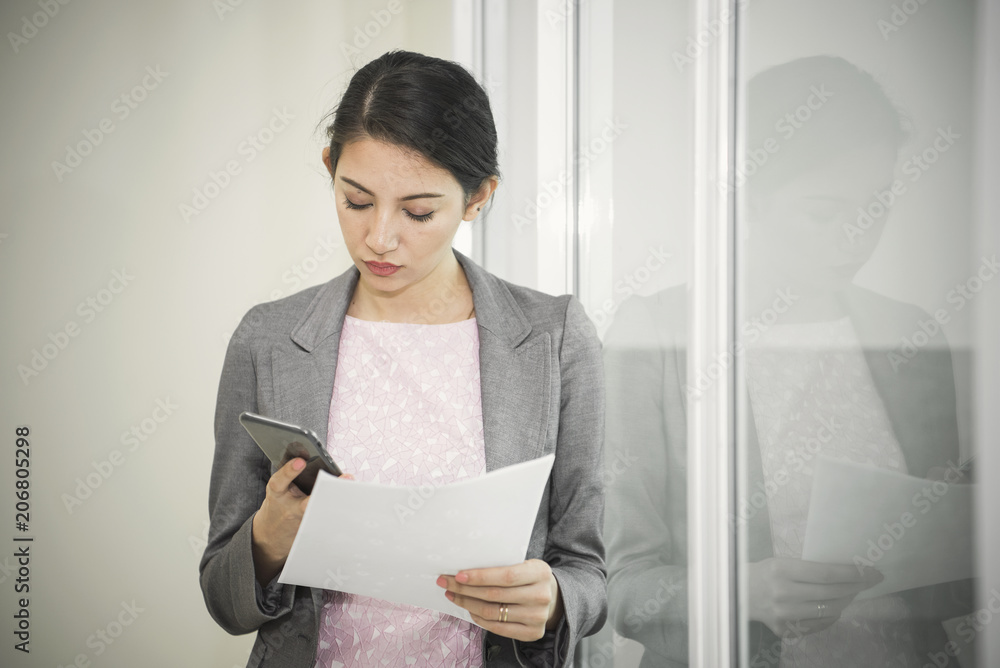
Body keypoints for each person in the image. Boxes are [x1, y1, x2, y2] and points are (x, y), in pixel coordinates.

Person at [198, 50, 607, 667]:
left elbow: (588, 572)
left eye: (418, 212)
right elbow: (223, 599)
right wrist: (266, 540)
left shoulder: (555, 339)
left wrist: (552, 600)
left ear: (479, 197)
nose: (379, 238)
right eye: (356, 201)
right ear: (330, 168)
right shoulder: (268, 339)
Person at [602, 55, 974, 667]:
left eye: (878, 204)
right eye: (824, 212)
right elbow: (620, 585)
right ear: (747, 199)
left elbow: (945, 576)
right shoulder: (659, 335)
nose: (857, 235)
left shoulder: (908, 332)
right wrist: (737, 594)